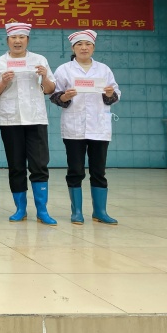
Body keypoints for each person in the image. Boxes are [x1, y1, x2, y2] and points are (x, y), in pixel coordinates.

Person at [0, 22, 57, 225]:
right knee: (16, 165)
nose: (17, 41)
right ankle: (20, 209)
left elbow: (50, 89)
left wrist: (44, 76)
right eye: (13, 38)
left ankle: (42, 210)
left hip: (36, 119)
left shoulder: (39, 60)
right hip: (10, 120)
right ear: (7, 40)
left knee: (39, 165)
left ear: (27, 40)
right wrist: (3, 82)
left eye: (21, 37)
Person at [50, 30, 121, 225]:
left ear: (93, 48)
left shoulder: (104, 70)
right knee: (76, 170)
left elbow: (115, 95)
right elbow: (54, 95)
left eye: (88, 44)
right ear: (73, 48)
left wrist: (109, 94)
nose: (84, 48)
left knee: (99, 170)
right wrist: (65, 96)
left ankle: (100, 212)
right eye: (79, 44)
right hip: (74, 128)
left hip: (99, 126)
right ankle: (77, 212)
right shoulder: (64, 70)